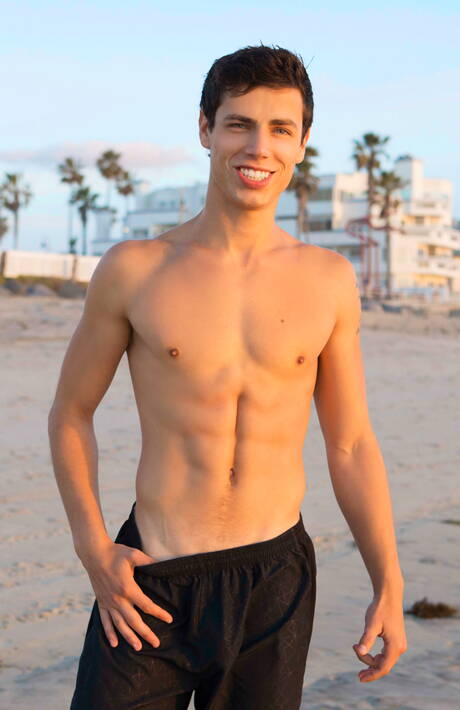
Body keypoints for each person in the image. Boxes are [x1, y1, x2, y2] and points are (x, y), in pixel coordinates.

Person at [48, 44, 407, 710]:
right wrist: (93, 548)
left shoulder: (327, 281)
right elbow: (71, 414)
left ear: (301, 145)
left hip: (274, 582)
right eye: (239, 123)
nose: (258, 147)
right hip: (150, 575)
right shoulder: (135, 269)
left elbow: (351, 442)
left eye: (280, 129)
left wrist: (388, 581)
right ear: (205, 129)